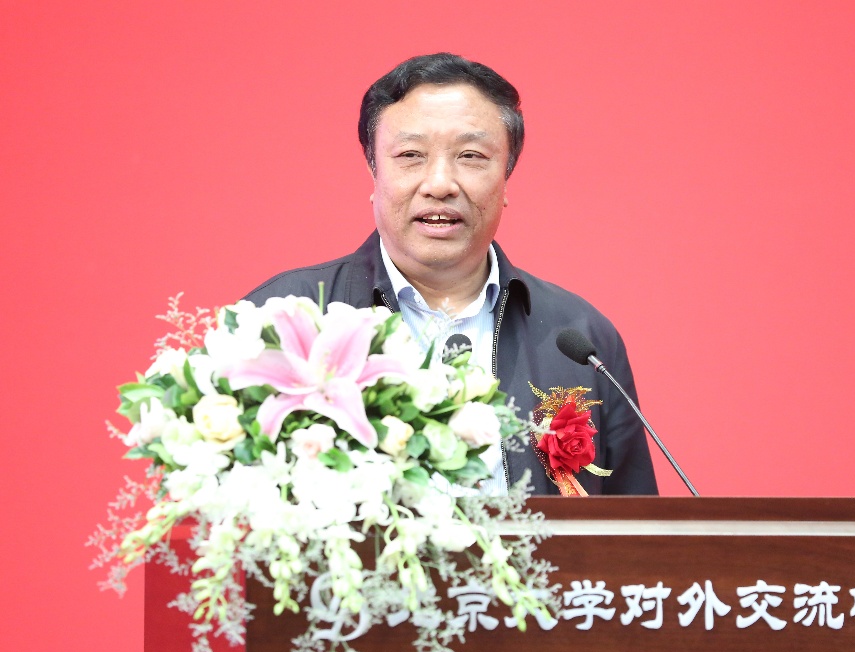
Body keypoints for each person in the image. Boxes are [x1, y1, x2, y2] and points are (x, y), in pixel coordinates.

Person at [244, 52, 657, 496]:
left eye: (471, 156)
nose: (440, 184)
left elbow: (637, 528)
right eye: (410, 155)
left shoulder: (580, 338)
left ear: (506, 176)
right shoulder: (285, 318)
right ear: (373, 170)